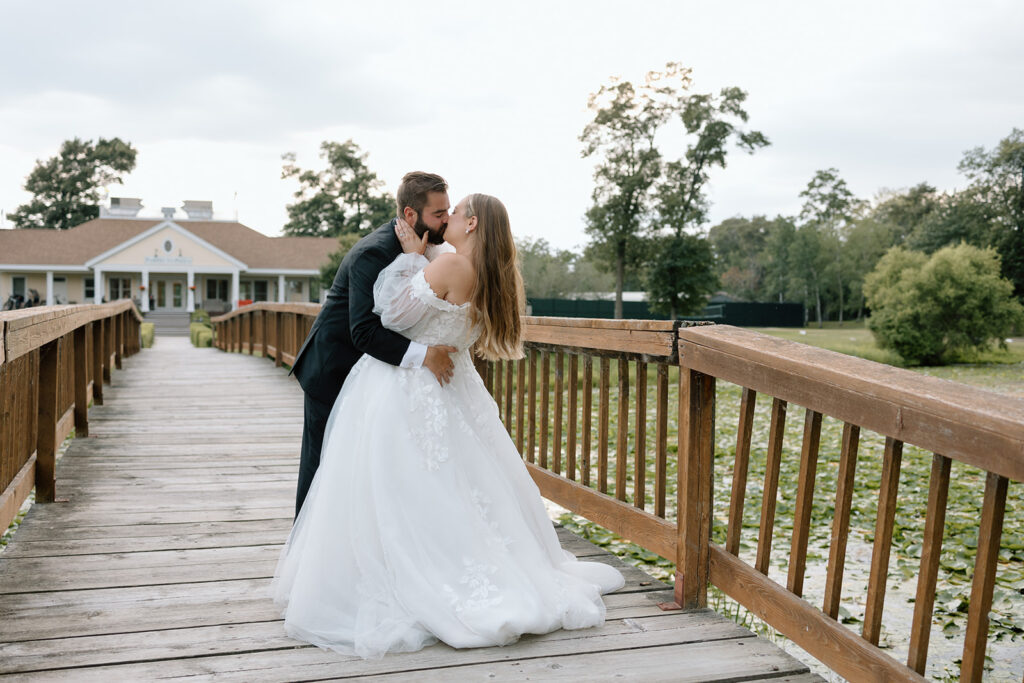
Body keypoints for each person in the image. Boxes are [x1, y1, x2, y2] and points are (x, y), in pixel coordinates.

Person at [271, 193, 624, 659]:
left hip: (410, 389)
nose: (448, 219)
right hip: (450, 388)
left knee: (396, 486)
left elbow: (390, 313)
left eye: (454, 212)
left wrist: (411, 260)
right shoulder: (487, 274)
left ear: (472, 223)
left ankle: (387, 575)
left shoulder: (448, 266)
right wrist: (424, 261)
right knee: (451, 486)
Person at [289, 172, 459, 517]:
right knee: (322, 465)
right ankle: (303, 555)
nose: (446, 219)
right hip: (332, 368)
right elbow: (363, 331)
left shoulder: (428, 246)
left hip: (373, 375)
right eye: (438, 213)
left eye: (448, 211)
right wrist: (426, 355)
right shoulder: (375, 251)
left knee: (359, 466)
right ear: (411, 215)